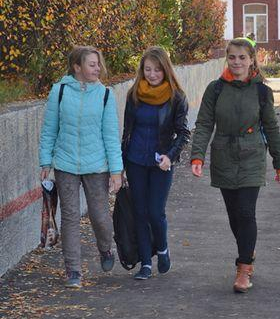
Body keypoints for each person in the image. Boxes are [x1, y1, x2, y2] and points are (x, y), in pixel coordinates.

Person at [190, 37, 280, 293]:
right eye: (232, 57)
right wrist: (197, 155)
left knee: (245, 212)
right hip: (223, 155)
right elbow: (203, 124)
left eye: (242, 57)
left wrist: (279, 161)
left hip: (252, 155)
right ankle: (247, 248)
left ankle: (244, 268)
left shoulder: (261, 92)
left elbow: (271, 127)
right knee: (234, 215)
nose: (237, 62)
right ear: (226, 59)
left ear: (252, 60)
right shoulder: (215, 89)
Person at [39, 46, 123, 289]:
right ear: (77, 67)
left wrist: (116, 171)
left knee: (100, 216)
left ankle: (106, 249)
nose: (97, 68)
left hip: (97, 165)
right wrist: (46, 161)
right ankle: (73, 270)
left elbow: (110, 135)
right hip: (65, 164)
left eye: (98, 64)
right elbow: (49, 130)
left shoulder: (105, 95)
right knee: (70, 217)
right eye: (92, 64)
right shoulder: (60, 91)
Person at [122, 47, 190, 281]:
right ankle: (145, 264)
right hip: (135, 160)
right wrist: (120, 163)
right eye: (147, 69)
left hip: (161, 162)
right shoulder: (134, 95)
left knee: (155, 211)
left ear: (165, 70)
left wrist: (170, 156)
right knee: (139, 212)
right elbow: (127, 130)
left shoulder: (176, 97)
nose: (151, 74)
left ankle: (162, 249)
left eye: (157, 70)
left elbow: (183, 133)